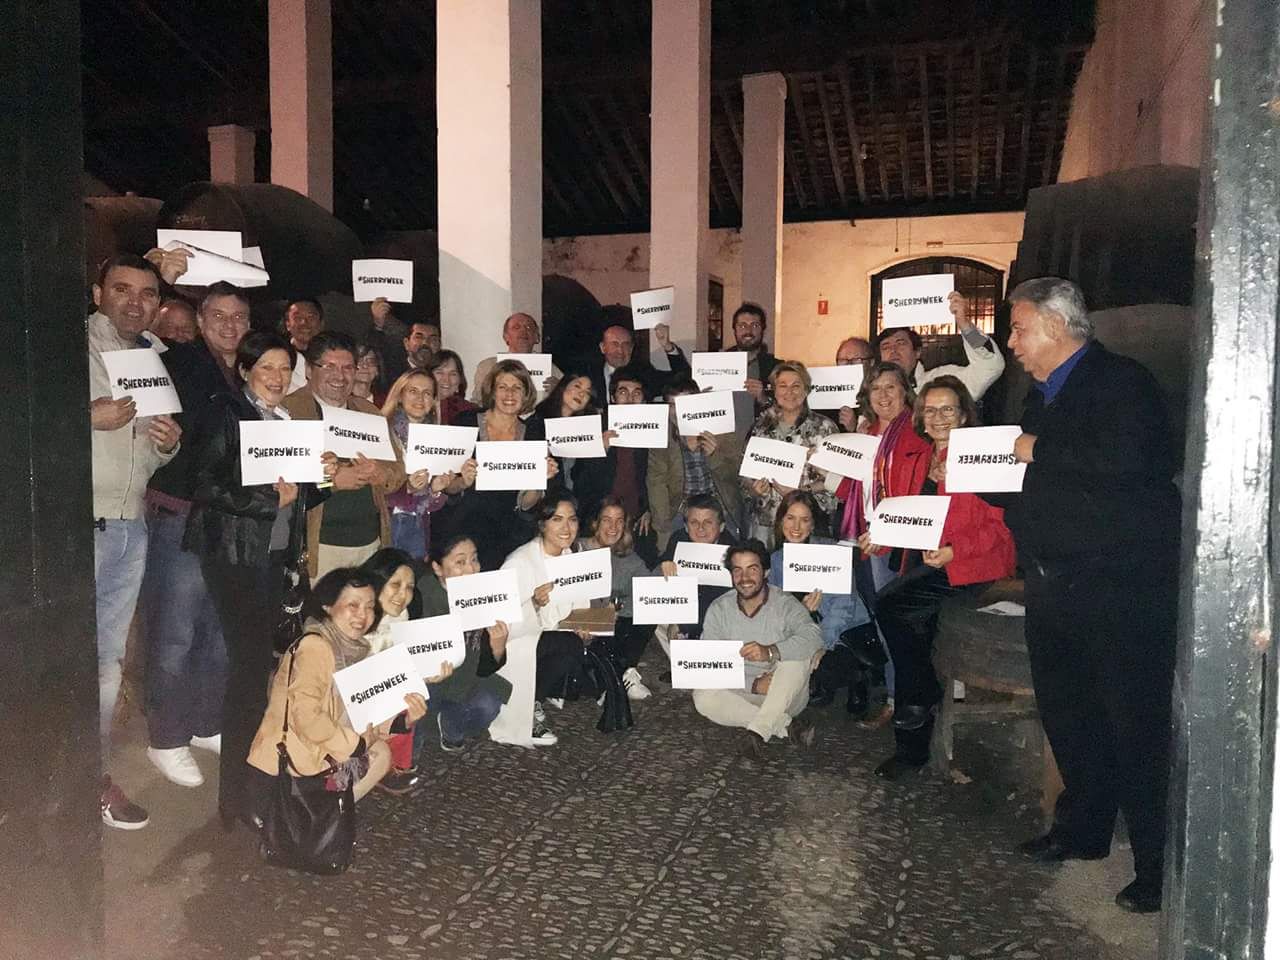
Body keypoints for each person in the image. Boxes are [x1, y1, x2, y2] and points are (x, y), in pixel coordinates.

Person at [1003, 277, 1179, 914]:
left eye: (1020, 328)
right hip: (1054, 584)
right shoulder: (1039, 395)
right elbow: (1023, 481)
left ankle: (1159, 866)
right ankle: (1083, 832)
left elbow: (1135, 461)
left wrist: (1037, 450)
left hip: (1118, 589)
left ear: (1055, 326)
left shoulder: (1122, 382)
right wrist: (971, 470)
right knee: (1071, 717)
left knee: (1134, 726)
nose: (1013, 342)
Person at [183, 330, 328, 829]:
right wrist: (270, 501)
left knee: (260, 671)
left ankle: (252, 788)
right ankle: (238, 801)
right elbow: (203, 483)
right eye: (266, 367)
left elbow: (300, 497)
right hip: (235, 558)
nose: (277, 377)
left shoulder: (286, 420)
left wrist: (319, 476)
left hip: (272, 560)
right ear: (245, 370)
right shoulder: (227, 413)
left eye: (285, 369)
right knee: (248, 674)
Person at [865, 376, 1015, 780]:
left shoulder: (984, 456)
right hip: (926, 560)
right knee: (914, 625)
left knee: (891, 606)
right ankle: (912, 750)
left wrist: (954, 551)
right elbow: (906, 512)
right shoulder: (921, 456)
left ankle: (923, 699)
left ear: (964, 414)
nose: (938, 417)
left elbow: (1001, 529)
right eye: (930, 410)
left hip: (972, 564)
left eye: (948, 409)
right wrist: (880, 535)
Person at [142, 281, 252, 789]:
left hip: (226, 520)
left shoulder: (244, 375)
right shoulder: (182, 362)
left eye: (239, 317)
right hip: (182, 514)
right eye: (219, 316)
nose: (230, 326)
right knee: (175, 632)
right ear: (201, 321)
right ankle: (165, 739)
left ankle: (206, 723)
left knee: (217, 630)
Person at [89, 253, 183, 829]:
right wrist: (82, 416)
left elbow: (148, 451)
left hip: (130, 526)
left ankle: (90, 776)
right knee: (66, 660)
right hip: (76, 525)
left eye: (147, 294)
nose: (135, 302)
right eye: (122, 289)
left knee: (107, 661)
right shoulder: (64, 346)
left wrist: (166, 443)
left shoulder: (154, 360)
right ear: (98, 291)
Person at [245, 568, 428, 818]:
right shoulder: (315, 647)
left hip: (319, 757)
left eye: (369, 606)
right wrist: (356, 744)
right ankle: (322, 816)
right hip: (289, 768)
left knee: (381, 753)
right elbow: (307, 718)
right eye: (352, 605)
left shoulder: (354, 650)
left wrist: (402, 720)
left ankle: (330, 813)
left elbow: (362, 707)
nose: (362, 615)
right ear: (328, 606)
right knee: (372, 752)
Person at [833, 361, 933, 726]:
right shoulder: (866, 435)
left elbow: (919, 495)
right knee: (880, 622)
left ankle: (900, 700)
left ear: (906, 390)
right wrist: (814, 474)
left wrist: (887, 532)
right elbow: (848, 488)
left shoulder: (919, 434)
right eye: (876, 389)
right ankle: (897, 694)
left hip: (897, 548)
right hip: (863, 540)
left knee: (897, 625)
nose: (884, 395)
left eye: (891, 387)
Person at [282, 331, 406, 579]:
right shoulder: (289, 411)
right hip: (320, 546)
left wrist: (380, 474)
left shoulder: (368, 411)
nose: (340, 376)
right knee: (321, 617)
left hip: (370, 542)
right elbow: (280, 480)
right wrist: (332, 481)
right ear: (308, 370)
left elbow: (398, 471)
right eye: (329, 366)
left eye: (348, 367)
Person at [497, 495, 608, 747]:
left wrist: (586, 625)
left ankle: (545, 690)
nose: (566, 528)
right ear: (542, 525)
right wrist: (534, 603)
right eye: (557, 520)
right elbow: (504, 625)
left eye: (572, 520)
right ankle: (529, 705)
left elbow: (579, 603)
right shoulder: (520, 562)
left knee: (585, 643)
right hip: (519, 644)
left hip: (554, 637)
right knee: (568, 646)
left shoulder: (572, 556)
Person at [693, 540, 821, 757]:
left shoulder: (785, 603)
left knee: (797, 659)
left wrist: (770, 651)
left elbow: (813, 636)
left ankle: (758, 731)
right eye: (737, 571)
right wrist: (753, 685)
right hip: (741, 692)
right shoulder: (719, 609)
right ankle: (785, 726)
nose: (745, 579)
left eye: (752, 569)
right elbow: (710, 665)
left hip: (784, 693)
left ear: (766, 572)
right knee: (702, 696)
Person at [445, 359, 559, 570]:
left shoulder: (534, 434)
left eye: (517, 388)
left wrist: (540, 480)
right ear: (492, 391)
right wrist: (463, 481)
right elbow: (447, 486)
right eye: (503, 387)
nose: (509, 394)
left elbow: (527, 503)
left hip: (510, 534)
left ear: (526, 394)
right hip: (465, 530)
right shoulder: (466, 422)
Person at [767, 491, 874, 715]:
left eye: (804, 520)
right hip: (805, 629)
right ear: (780, 521)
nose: (796, 527)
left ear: (813, 524)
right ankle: (818, 682)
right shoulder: (778, 559)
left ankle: (858, 677)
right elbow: (776, 609)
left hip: (843, 632)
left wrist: (821, 644)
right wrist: (801, 611)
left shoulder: (832, 551)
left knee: (827, 668)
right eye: (790, 518)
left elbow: (843, 608)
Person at [419, 534, 514, 751]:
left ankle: (452, 726)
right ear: (437, 568)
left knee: (489, 704)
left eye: (474, 559)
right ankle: (426, 730)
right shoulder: (422, 597)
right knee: (423, 703)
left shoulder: (483, 596)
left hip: (464, 681)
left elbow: (484, 669)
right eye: (460, 562)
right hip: (430, 683)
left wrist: (497, 645)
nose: (471, 569)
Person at [741, 362, 839, 548]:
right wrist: (753, 489)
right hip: (765, 523)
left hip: (809, 524)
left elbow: (836, 481)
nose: (789, 392)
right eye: (783, 386)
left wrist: (802, 492)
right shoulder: (760, 426)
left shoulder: (826, 428)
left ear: (806, 390)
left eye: (796, 386)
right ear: (774, 390)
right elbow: (744, 474)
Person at [648, 374, 744, 554]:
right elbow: (656, 482)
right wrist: (662, 526)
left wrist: (714, 456)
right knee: (671, 560)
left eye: (684, 405)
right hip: (681, 507)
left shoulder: (722, 428)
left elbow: (736, 476)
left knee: (729, 563)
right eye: (671, 405)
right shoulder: (662, 435)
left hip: (720, 506)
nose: (677, 412)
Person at [571, 364, 655, 562]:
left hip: (636, 520)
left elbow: (657, 475)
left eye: (637, 394)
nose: (630, 399)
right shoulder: (594, 428)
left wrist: (649, 507)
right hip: (596, 521)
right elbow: (579, 483)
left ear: (644, 400)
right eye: (623, 392)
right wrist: (599, 450)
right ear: (613, 398)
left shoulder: (652, 431)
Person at [380, 370, 464, 561]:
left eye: (427, 393)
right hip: (384, 528)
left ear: (434, 400)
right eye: (413, 391)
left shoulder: (437, 437)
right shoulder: (381, 431)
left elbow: (430, 505)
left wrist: (436, 489)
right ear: (399, 396)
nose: (420, 398)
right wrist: (407, 489)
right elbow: (373, 489)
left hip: (418, 530)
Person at [579, 497, 655, 700]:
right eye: (606, 520)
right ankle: (614, 677)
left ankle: (625, 673)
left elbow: (650, 590)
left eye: (619, 521)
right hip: (576, 621)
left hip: (608, 623)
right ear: (595, 523)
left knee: (646, 613)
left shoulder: (629, 559)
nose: (613, 527)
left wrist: (617, 608)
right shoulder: (575, 550)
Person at [874, 291, 1005, 400]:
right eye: (885, 347)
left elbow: (990, 366)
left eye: (901, 343)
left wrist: (964, 324)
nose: (893, 350)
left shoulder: (943, 380)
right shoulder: (873, 394)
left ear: (917, 352)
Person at [655, 494, 735, 641]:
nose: (700, 528)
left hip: (718, 612)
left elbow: (720, 600)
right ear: (685, 526)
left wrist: (684, 624)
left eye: (708, 522)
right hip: (686, 607)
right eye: (694, 522)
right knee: (653, 615)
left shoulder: (733, 551)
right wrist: (664, 567)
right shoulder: (678, 540)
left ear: (721, 526)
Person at [524, 366, 605, 494]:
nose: (581, 394)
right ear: (563, 387)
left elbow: (588, 478)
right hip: (545, 501)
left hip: (577, 503)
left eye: (587, 392)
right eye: (577, 386)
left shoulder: (588, 428)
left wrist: (600, 450)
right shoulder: (537, 422)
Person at [584, 322, 689, 402]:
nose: (620, 350)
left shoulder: (645, 373)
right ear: (603, 347)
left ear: (631, 348)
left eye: (625, 345)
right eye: (615, 344)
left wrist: (667, 346)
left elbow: (683, 378)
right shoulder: (589, 375)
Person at [471, 312, 563, 401]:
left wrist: (560, 392)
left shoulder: (550, 368)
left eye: (528, 327)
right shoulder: (488, 366)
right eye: (516, 327)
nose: (523, 331)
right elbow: (477, 403)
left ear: (537, 337)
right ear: (506, 337)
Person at [725, 302, 779, 408]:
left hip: (763, 424)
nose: (748, 331)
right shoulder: (717, 363)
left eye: (755, 325)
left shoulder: (777, 367)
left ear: (763, 329)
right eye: (742, 326)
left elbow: (789, 411)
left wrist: (764, 399)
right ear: (734, 330)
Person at [428, 349, 479, 425]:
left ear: (460, 379)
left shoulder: (471, 411)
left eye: (453, 374)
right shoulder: (415, 406)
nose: (446, 380)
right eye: (439, 372)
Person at [835, 336, 875, 432]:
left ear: (871, 362)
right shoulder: (826, 394)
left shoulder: (880, 395)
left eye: (856, 359)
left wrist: (854, 428)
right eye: (843, 360)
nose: (849, 365)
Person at [283, 298, 323, 391]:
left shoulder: (332, 356)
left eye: (311, 317)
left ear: (321, 323)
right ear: (288, 324)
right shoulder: (278, 355)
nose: (304, 322)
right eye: (297, 318)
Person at [352, 342, 385, 408]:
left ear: (377, 370)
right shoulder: (340, 399)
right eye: (359, 361)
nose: (365, 365)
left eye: (371, 361)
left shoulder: (386, 403)